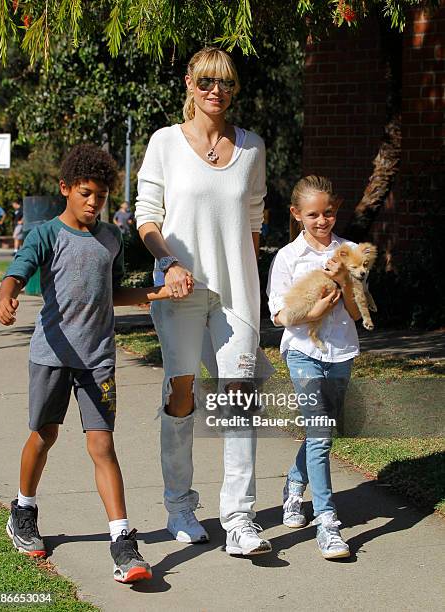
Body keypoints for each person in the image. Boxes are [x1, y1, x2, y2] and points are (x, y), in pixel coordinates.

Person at [0, 144, 177, 583]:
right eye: (85, 193)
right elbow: (15, 274)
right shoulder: (45, 235)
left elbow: (108, 294)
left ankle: (122, 543)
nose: (94, 203)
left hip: (97, 361)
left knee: (102, 446)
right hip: (52, 357)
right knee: (44, 435)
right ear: (66, 189)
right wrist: (6, 297)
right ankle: (22, 509)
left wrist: (155, 294)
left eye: (101, 195)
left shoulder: (109, 239)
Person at [135, 47, 273, 556]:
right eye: (208, 81)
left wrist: (249, 278)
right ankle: (180, 506)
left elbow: (254, 221)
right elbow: (146, 216)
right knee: (182, 393)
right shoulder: (165, 143)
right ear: (190, 83)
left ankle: (239, 519)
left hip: (236, 294)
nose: (218, 91)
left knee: (239, 401)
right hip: (180, 289)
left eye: (227, 83)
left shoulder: (252, 147)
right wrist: (168, 262)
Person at [267, 175, 362, 559]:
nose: (322, 221)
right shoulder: (288, 258)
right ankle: (327, 523)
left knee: (324, 430)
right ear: (296, 215)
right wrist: (314, 310)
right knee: (321, 435)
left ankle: (294, 484)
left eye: (328, 213)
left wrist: (345, 285)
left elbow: (356, 312)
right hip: (303, 352)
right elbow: (278, 316)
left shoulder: (350, 251)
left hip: (342, 351)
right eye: (312, 215)